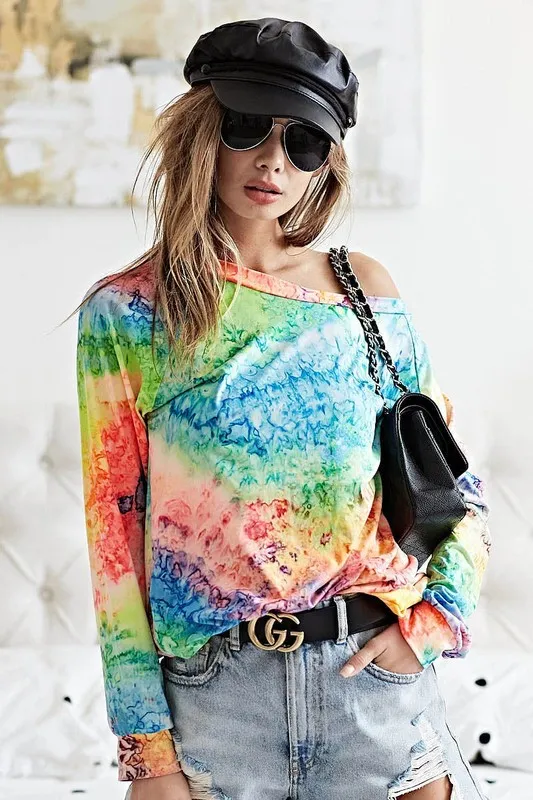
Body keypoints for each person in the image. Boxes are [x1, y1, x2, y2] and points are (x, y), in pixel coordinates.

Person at [75, 17, 490, 800]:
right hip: (214, 705)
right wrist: (145, 752)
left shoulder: (362, 290)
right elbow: (112, 539)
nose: (273, 160)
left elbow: (455, 489)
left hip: (372, 685)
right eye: (247, 128)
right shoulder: (128, 313)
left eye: (303, 142)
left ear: (324, 164)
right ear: (202, 133)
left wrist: (432, 626)